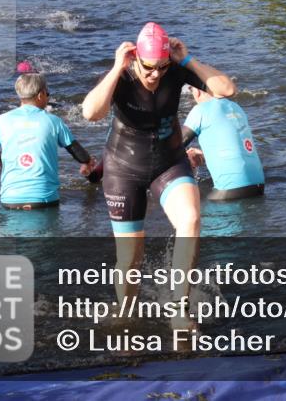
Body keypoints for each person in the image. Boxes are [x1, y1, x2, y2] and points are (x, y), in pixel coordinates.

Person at [81, 22, 235, 328]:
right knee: (130, 258)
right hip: (124, 169)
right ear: (135, 58)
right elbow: (90, 113)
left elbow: (227, 90)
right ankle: (126, 314)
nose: (155, 75)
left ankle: (179, 309)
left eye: (161, 68)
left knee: (190, 220)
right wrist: (115, 69)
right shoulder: (122, 76)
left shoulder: (174, 70)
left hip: (169, 161)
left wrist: (187, 59)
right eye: (149, 68)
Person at [0, 73, 97, 209]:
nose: (48, 97)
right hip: (45, 199)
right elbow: (79, 154)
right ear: (40, 95)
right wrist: (87, 163)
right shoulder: (53, 121)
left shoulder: (2, 120)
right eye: (47, 93)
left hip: (10, 200)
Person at [182, 87, 265, 201]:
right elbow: (236, 150)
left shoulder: (200, 110)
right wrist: (205, 156)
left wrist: (186, 157)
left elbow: (174, 147)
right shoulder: (236, 107)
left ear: (197, 91)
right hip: (259, 185)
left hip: (230, 190)